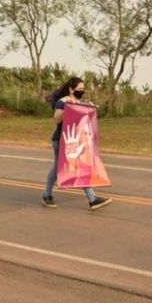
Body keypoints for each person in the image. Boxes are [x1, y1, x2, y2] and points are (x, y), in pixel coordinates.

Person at [42, 77, 112, 211]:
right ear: (71, 89)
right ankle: (48, 195)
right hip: (61, 140)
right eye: (79, 89)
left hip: (75, 141)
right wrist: (68, 107)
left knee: (77, 166)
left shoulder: (79, 103)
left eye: (83, 89)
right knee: (61, 168)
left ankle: (91, 199)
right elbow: (56, 120)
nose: (82, 91)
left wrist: (88, 108)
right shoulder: (62, 102)